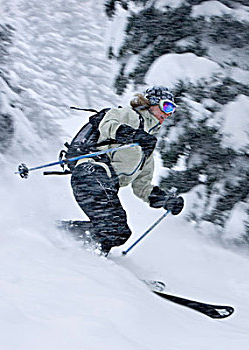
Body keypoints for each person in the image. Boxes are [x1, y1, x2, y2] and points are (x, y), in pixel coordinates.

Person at [70, 86, 185, 255]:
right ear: (152, 103)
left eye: (172, 110)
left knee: (118, 232)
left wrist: (165, 200)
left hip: (106, 184)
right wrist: (133, 135)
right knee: (113, 225)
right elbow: (107, 125)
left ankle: (72, 243)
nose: (168, 114)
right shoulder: (129, 115)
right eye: (166, 106)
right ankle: (81, 253)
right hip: (91, 172)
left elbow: (142, 188)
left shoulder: (146, 149)